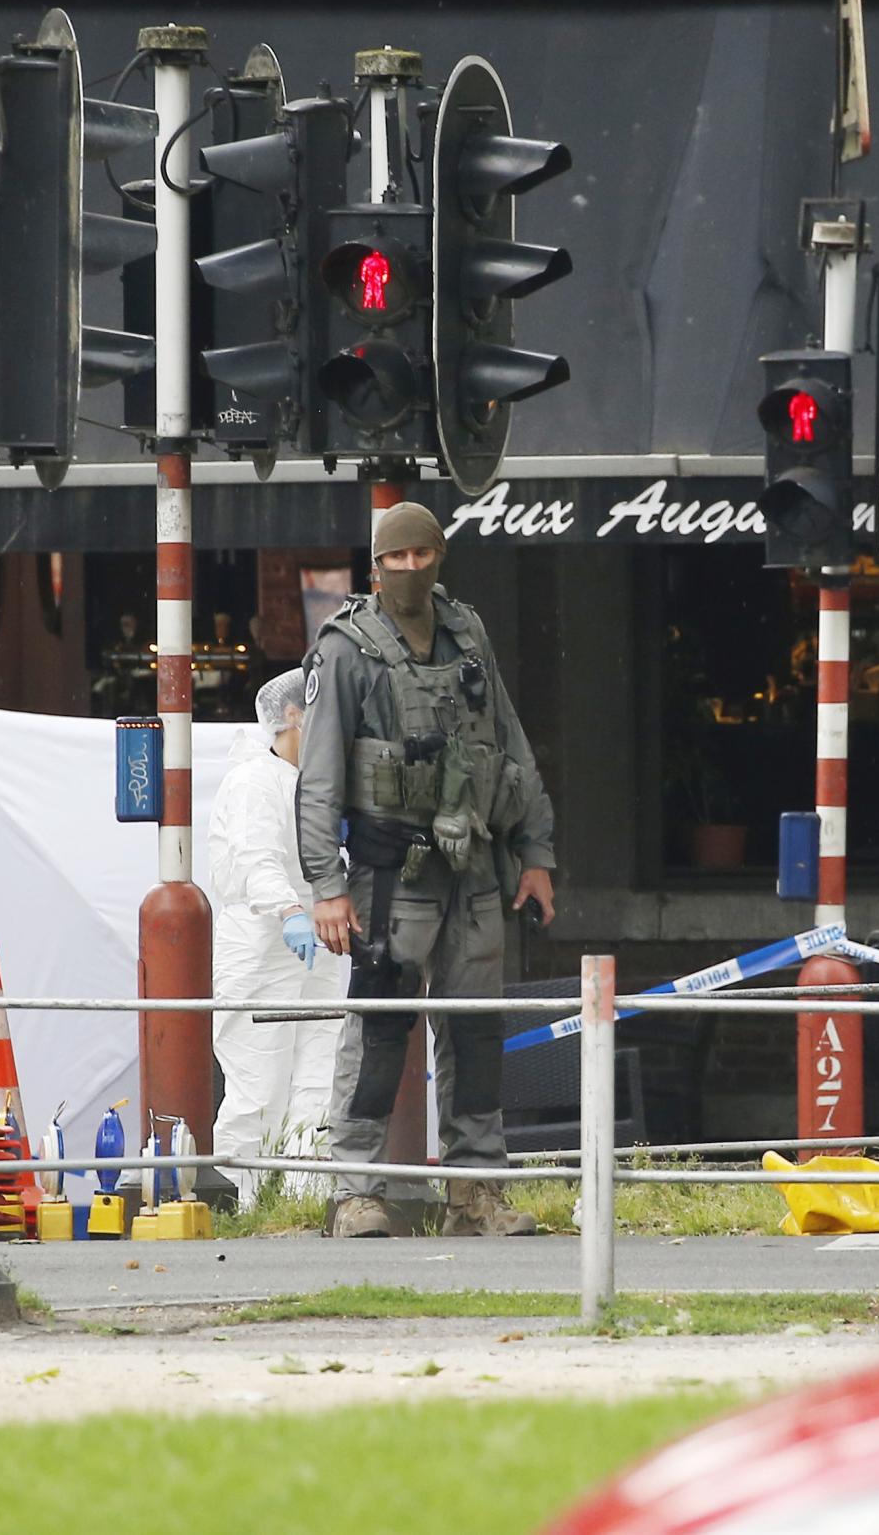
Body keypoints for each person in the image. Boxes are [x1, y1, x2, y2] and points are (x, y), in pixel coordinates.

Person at [296, 501, 557, 1238]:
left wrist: (535, 854)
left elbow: (510, 743)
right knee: (379, 1028)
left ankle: (476, 1191)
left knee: (475, 1033)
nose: (410, 569)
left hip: (474, 866)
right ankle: (355, 1190)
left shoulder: (468, 633)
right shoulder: (346, 649)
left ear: (439, 554)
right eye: (395, 559)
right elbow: (317, 776)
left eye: (422, 555)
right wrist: (326, 884)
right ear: (374, 566)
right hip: (388, 874)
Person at [207, 667, 349, 1211]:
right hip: (261, 946)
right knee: (257, 1083)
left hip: (312, 942)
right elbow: (254, 859)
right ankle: (239, 1205)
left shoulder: (308, 781)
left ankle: (302, 1201)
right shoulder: (252, 782)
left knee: (318, 1076)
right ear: (292, 716)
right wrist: (289, 909)